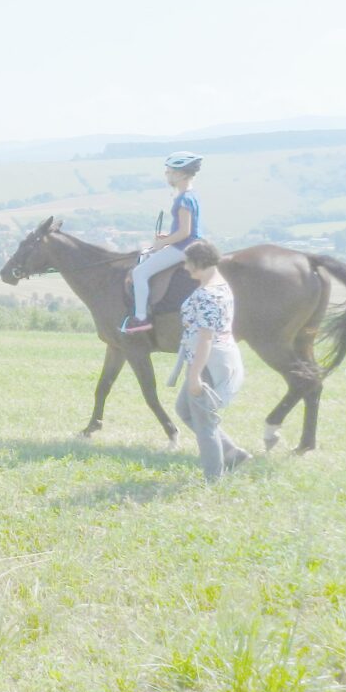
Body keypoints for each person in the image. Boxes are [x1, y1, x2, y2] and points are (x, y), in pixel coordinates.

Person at [172, 240, 250, 481]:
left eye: (188, 262)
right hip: (206, 357)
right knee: (184, 409)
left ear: (199, 262)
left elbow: (205, 338)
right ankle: (232, 453)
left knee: (205, 424)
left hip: (205, 362)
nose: (185, 267)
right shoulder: (220, 286)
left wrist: (195, 375)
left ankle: (213, 478)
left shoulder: (208, 294)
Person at [122, 152, 204, 333]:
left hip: (183, 247)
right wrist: (168, 236)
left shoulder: (183, 198)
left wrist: (163, 243)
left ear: (181, 174)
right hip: (190, 244)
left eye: (169, 172)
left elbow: (185, 231)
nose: (167, 175)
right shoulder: (192, 195)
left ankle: (141, 318)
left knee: (139, 273)